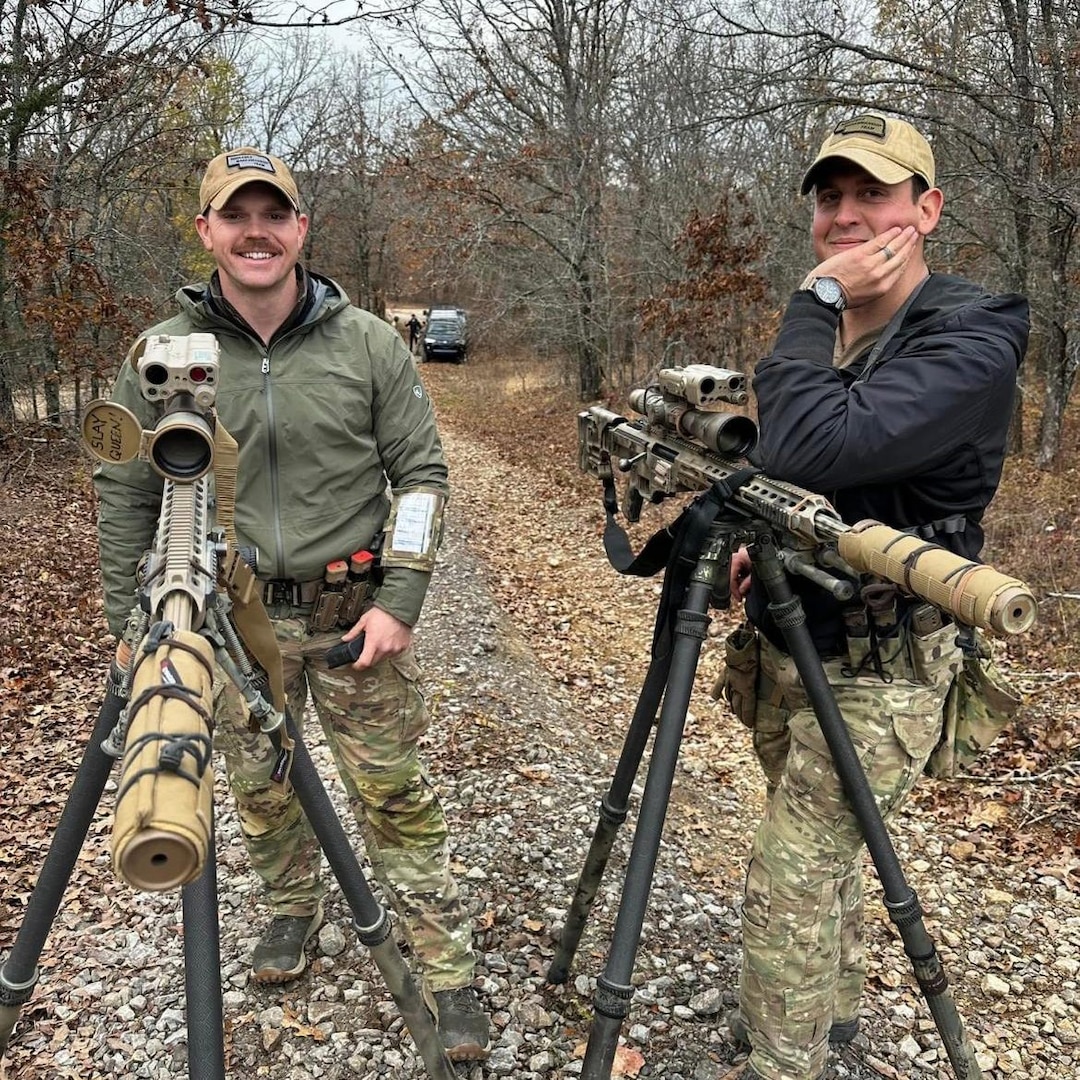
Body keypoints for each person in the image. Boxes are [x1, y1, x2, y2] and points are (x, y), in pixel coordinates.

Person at [93, 147, 490, 1062]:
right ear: (206, 233)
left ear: (302, 228)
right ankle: (291, 913)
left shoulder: (368, 345)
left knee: (394, 798)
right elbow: (124, 492)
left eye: (275, 214)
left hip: (353, 617)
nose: (257, 232)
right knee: (262, 790)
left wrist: (404, 598)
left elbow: (422, 477)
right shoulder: (162, 356)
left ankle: (446, 970)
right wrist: (133, 626)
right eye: (237, 216)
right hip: (230, 624)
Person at [718, 115, 1029, 1080]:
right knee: (815, 853)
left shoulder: (975, 333)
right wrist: (752, 538)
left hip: (887, 661)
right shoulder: (836, 335)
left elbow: (817, 444)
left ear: (926, 211)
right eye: (829, 198)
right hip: (792, 631)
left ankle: (784, 1061)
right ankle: (824, 1011)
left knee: (792, 870)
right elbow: (795, 474)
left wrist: (816, 296)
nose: (845, 218)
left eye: (873, 196)